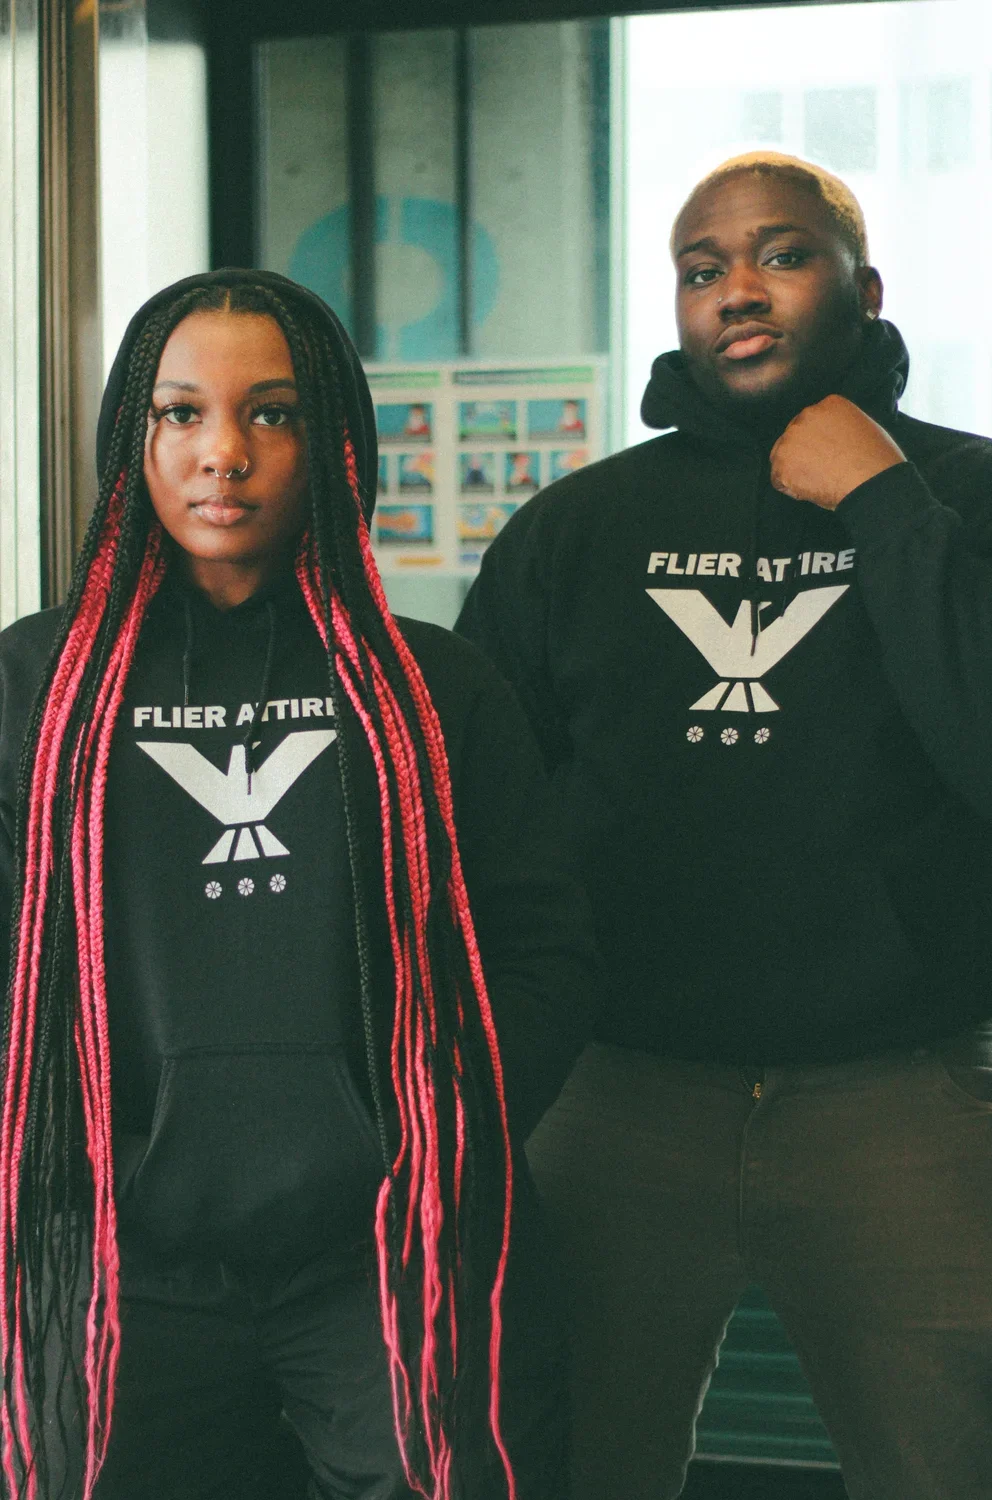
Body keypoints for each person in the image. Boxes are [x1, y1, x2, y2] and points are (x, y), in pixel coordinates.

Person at [456, 151, 992, 1500]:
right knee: (572, 1467)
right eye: (702, 270)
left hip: (898, 1098)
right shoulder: (575, 529)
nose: (736, 290)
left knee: (946, 1468)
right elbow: (481, 827)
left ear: (865, 288)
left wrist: (882, 504)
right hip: (617, 1098)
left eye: (782, 254)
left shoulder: (970, 500)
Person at [0, 269, 595, 1500]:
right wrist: (72, 1166)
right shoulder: (33, 690)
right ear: (131, 440)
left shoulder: (437, 690)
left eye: (269, 413)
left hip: (386, 1252)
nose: (222, 451)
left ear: (332, 442)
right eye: (180, 413)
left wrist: (426, 1135)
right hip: (112, 1257)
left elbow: (542, 946)